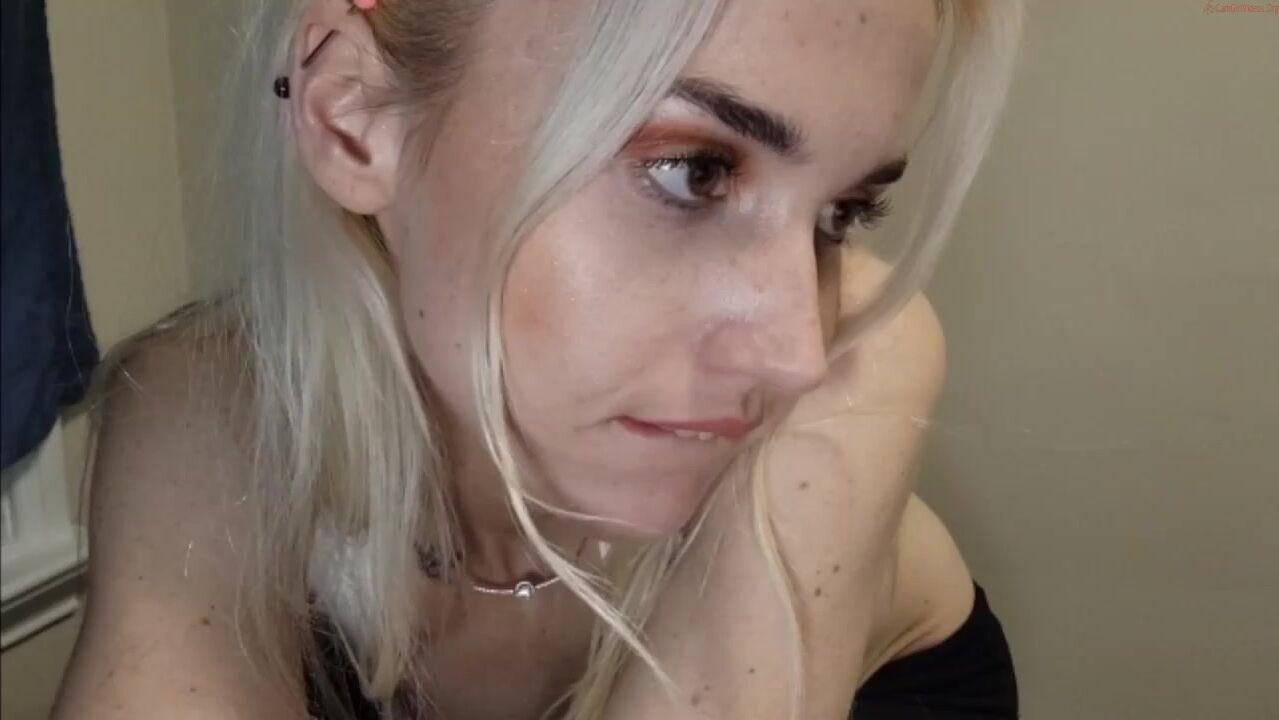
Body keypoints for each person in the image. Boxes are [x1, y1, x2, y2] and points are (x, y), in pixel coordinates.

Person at [53, 0, 1022, 717]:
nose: (795, 353)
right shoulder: (211, 406)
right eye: (692, 171)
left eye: (842, 215)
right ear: (353, 115)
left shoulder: (861, 361)